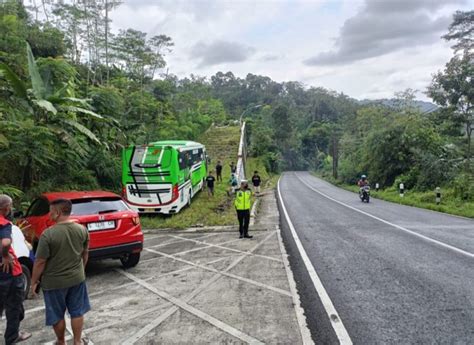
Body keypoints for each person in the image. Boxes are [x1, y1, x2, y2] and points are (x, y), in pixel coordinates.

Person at [31, 199, 90, 345]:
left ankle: (61, 341)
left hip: (53, 283)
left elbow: (40, 262)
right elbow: (85, 253)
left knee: (57, 315)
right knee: (77, 311)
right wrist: (80, 271)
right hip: (77, 279)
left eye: (51, 211)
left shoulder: (48, 235)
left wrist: (33, 282)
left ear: (57, 213)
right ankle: (77, 341)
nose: (49, 214)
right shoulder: (82, 230)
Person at [0, 195, 31, 344]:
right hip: (10, 271)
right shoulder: (4, 223)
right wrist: (5, 255)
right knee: (15, 308)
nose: (11, 209)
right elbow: (6, 242)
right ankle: (12, 337)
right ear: (5, 208)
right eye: (10, 206)